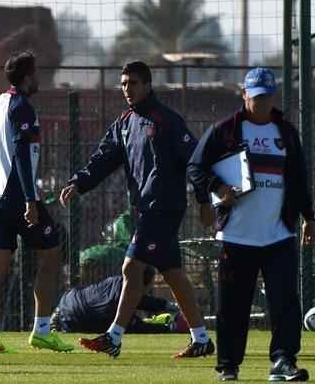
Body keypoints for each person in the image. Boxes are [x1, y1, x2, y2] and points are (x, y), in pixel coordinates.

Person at [60, 60, 212, 360]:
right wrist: (79, 182)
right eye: (124, 83)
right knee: (172, 274)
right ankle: (202, 338)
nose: (127, 89)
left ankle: (114, 336)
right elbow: (103, 158)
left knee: (131, 267)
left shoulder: (167, 121)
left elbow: (195, 160)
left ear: (147, 85)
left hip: (163, 207)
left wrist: (204, 201)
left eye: (133, 83)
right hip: (145, 208)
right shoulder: (125, 123)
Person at [188, 67, 314, 383]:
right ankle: (228, 365)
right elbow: (195, 166)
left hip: (278, 234)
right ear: (244, 94)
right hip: (236, 235)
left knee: (285, 302)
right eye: (255, 96)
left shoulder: (286, 132)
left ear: (274, 97)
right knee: (233, 306)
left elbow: (298, 178)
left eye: (267, 97)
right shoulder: (225, 131)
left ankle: (283, 361)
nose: (261, 102)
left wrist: (309, 218)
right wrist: (217, 189)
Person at [0, 51, 73, 353]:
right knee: (52, 252)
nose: (39, 79)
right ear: (27, 77)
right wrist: (30, 199)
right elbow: (20, 153)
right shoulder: (23, 107)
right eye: (37, 73)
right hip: (16, 196)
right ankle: (42, 329)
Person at [51, 267, 180, 335]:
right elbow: (136, 327)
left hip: (66, 300)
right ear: (144, 285)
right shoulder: (119, 301)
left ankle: (55, 321)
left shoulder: (117, 280)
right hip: (74, 319)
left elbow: (141, 300)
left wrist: (168, 305)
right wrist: (170, 328)